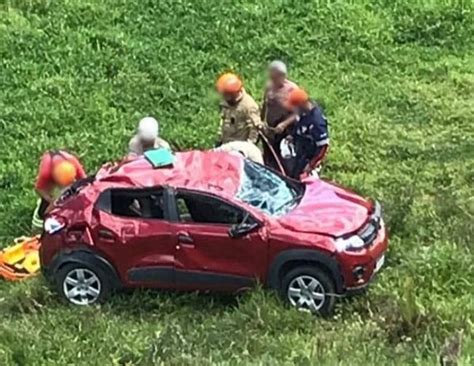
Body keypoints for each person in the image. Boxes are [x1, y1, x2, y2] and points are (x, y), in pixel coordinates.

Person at [32, 150, 86, 231]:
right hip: (51, 184)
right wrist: (52, 201)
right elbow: (39, 189)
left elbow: (85, 182)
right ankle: (39, 224)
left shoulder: (74, 163)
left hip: (68, 181)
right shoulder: (46, 172)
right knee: (45, 211)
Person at [261, 60, 298, 170]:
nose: (273, 80)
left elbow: (299, 112)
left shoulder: (292, 90)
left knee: (282, 159)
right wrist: (261, 120)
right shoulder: (269, 86)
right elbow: (265, 104)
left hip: (285, 130)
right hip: (270, 128)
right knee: (269, 155)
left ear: (282, 76)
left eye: (275, 77)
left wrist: (284, 124)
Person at [285, 88, 329, 179]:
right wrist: (292, 136)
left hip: (310, 160)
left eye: (295, 107)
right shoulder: (303, 113)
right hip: (300, 154)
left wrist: (311, 165)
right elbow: (300, 126)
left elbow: (323, 147)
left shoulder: (316, 122)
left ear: (302, 104)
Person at [215, 73, 264, 146]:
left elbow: (254, 130)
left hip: (240, 146)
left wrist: (248, 147)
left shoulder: (249, 106)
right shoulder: (227, 103)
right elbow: (223, 120)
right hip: (226, 143)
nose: (223, 97)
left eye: (226, 95)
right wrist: (219, 139)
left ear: (233, 94)